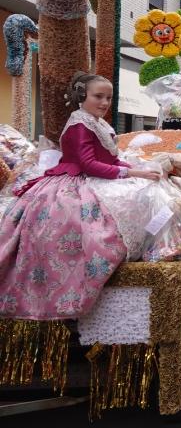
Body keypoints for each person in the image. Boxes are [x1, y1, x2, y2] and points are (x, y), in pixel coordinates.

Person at [0, 73, 163, 319]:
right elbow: (88, 164)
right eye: (98, 96)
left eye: (108, 97)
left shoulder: (97, 123)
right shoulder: (79, 124)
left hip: (92, 179)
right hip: (72, 184)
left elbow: (108, 159)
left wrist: (134, 169)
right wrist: (131, 172)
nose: (105, 103)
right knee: (91, 233)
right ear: (82, 96)